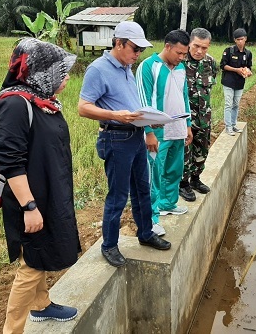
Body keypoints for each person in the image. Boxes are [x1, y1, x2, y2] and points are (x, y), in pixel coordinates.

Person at [0, 38, 80, 332]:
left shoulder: (40, 100)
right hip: (28, 199)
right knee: (31, 265)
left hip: (47, 192)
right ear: (39, 71)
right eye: (59, 70)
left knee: (38, 255)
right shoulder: (13, 104)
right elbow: (10, 162)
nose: (65, 76)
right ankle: (11, 329)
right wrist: (29, 207)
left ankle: (41, 306)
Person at [79, 21, 171, 268]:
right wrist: (116, 116)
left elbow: (130, 103)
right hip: (116, 138)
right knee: (118, 194)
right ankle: (109, 245)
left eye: (141, 50)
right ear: (118, 43)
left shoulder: (126, 67)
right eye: (134, 48)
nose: (138, 54)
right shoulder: (98, 69)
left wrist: (150, 120)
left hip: (135, 136)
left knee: (143, 188)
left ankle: (145, 233)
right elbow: (83, 108)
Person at [137, 29, 193, 225]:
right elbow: (142, 102)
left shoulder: (180, 68)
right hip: (158, 133)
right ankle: (151, 219)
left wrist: (188, 125)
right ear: (167, 46)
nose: (181, 57)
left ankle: (168, 204)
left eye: (184, 54)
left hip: (178, 129)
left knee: (174, 169)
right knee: (154, 176)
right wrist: (149, 132)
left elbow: (184, 97)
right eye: (178, 53)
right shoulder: (148, 66)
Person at [178, 28, 217, 202]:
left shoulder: (210, 63)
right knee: (185, 152)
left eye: (204, 47)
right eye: (196, 46)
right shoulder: (179, 63)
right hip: (185, 119)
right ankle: (183, 184)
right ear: (189, 44)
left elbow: (209, 87)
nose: (200, 51)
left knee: (202, 150)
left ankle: (195, 179)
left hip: (204, 118)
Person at [220, 28, 253, 136]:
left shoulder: (248, 53)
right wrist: (236, 70)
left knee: (236, 104)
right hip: (228, 82)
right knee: (228, 104)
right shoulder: (228, 51)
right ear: (235, 40)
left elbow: (249, 67)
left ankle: (233, 125)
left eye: (242, 39)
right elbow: (223, 66)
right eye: (237, 39)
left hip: (240, 83)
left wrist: (247, 72)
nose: (240, 41)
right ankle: (228, 126)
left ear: (245, 39)